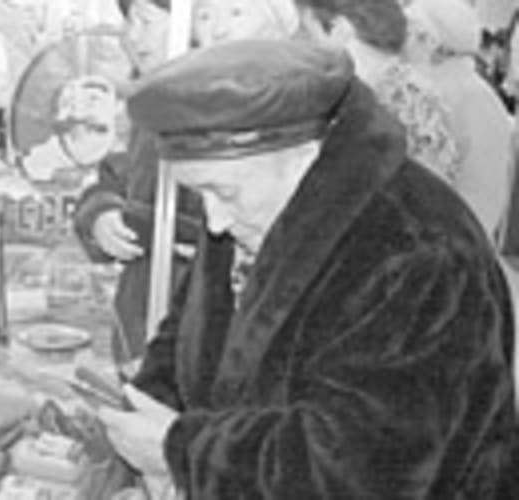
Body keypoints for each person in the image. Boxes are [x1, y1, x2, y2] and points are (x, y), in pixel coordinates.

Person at [97, 39, 516, 499]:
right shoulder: (259, 206)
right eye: (201, 195)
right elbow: (188, 332)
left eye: (224, 192)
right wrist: (149, 402)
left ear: (308, 157)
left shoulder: (419, 251)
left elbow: (368, 466)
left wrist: (182, 451)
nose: (213, 222)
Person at [73, 0, 203, 366]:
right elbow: (111, 179)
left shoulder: (222, 105)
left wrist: (152, 225)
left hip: (195, 325)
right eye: (128, 23)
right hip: (139, 319)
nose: (131, 37)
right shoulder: (145, 104)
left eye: (145, 21)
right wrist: (100, 215)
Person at [293, 0, 462, 184]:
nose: (301, 47)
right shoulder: (415, 93)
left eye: (306, 34)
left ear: (338, 27)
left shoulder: (370, 103)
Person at [403, 0, 514, 241]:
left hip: (452, 239)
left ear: (432, 44)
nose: (404, 42)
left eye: (412, 32)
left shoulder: (472, 99)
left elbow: (480, 201)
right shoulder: (437, 87)